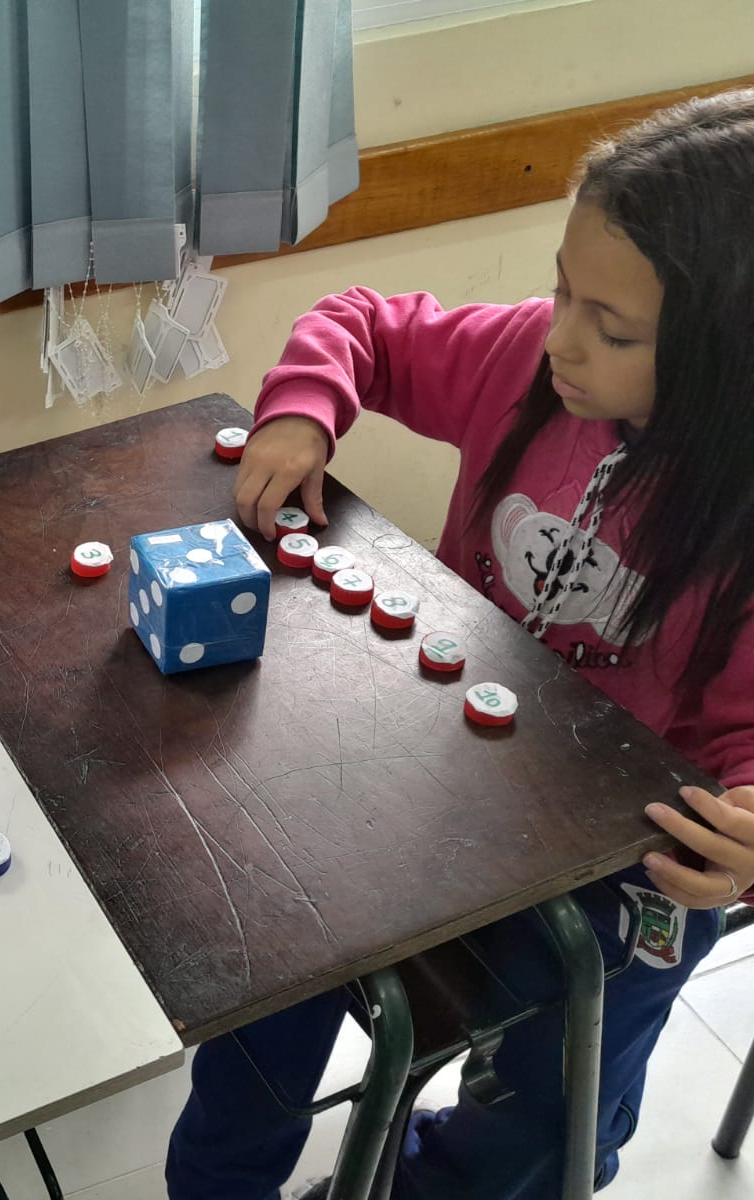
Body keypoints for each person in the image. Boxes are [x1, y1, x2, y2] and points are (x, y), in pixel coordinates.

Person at [166, 89, 754, 1198]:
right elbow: (364, 324)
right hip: (439, 767)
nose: (561, 338)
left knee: (553, 1110)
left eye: (612, 328)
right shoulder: (530, 361)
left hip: (617, 859)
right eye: (562, 289)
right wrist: (302, 407)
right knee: (269, 961)